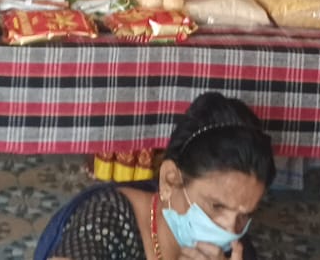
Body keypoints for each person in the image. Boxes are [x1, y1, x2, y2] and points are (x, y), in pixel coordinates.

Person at [38, 92, 275, 260]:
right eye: (216, 206)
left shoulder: (234, 251)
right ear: (169, 180)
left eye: (245, 215)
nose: (229, 229)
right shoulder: (109, 216)